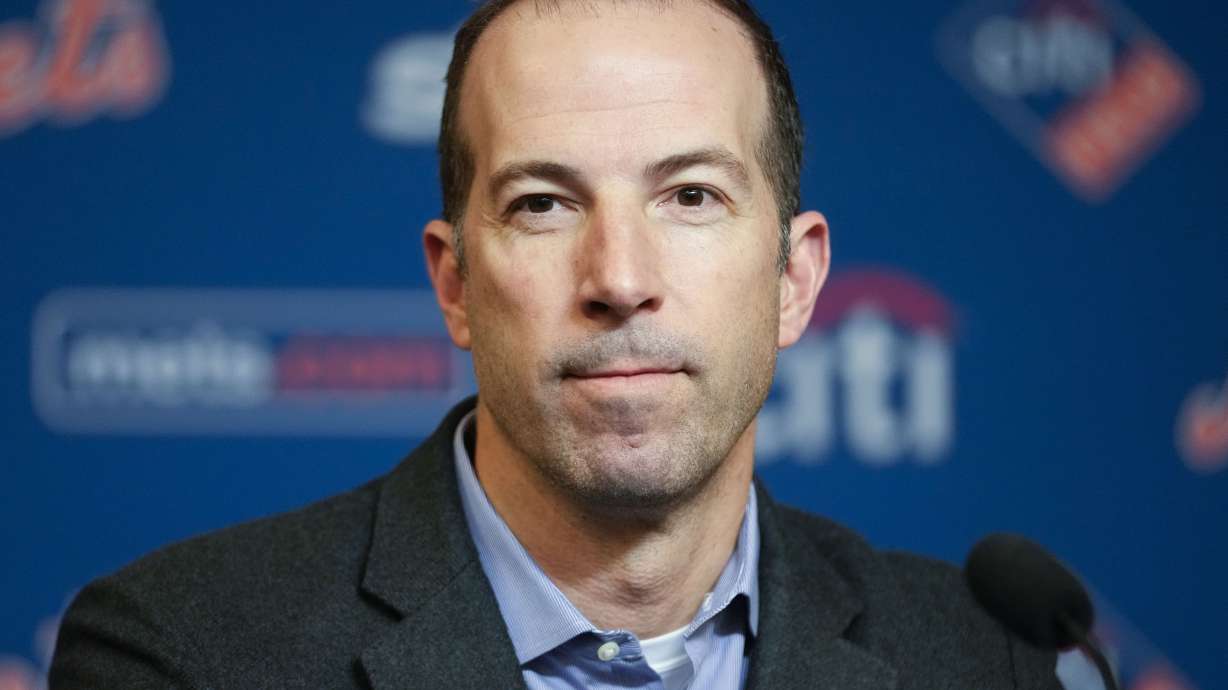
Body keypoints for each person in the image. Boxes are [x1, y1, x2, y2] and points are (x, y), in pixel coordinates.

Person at [50, 0, 1062, 688]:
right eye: (542, 203)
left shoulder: (981, 657)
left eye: (691, 196)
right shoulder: (186, 653)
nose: (619, 278)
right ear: (453, 283)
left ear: (794, 279)